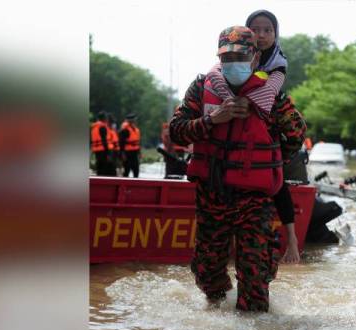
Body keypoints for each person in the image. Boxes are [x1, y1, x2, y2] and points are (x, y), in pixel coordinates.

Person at [169, 26, 306, 312]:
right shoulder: (201, 88)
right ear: (219, 58)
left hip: (254, 201)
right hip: (211, 195)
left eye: (241, 56)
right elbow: (177, 132)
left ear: (255, 57)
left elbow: (296, 134)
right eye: (227, 58)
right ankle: (218, 312)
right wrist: (211, 121)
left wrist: (268, 160)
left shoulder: (270, 95)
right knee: (208, 275)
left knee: (255, 279)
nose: (234, 63)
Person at [206, 10, 300, 264]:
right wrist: (225, 108)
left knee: (278, 181)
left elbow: (272, 99)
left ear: (275, 34)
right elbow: (214, 79)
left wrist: (275, 154)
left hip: (262, 139)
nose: (261, 35)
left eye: (268, 30)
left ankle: (292, 241)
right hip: (226, 147)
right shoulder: (221, 68)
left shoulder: (278, 65)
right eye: (255, 29)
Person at [90, 111, 116, 176]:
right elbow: (104, 141)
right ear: (104, 118)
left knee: (100, 169)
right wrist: (108, 154)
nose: (107, 119)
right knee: (107, 170)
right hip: (104, 151)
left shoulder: (94, 127)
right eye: (106, 117)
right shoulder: (102, 127)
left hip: (97, 151)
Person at [119, 113, 141, 177]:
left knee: (136, 170)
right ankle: (124, 185)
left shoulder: (136, 129)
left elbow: (137, 142)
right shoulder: (125, 130)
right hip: (127, 153)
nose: (135, 121)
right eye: (134, 119)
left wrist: (139, 153)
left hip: (134, 153)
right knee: (127, 170)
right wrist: (122, 154)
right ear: (131, 120)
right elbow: (121, 143)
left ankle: (135, 184)